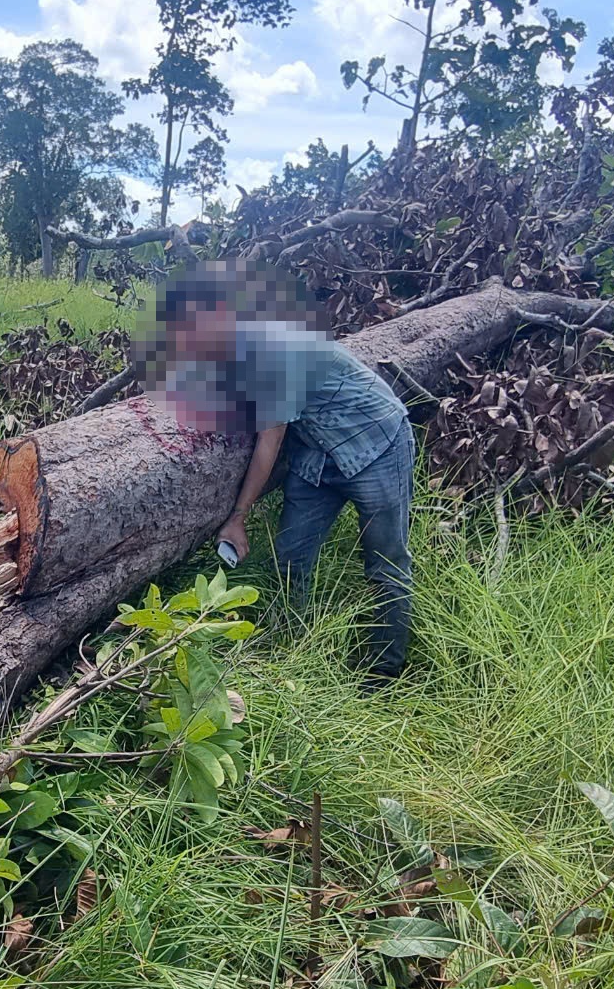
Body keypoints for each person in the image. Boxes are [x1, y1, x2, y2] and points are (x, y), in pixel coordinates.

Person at [147, 259, 416, 682]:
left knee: (385, 563)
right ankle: (290, 648)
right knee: (291, 554)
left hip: (375, 442)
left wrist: (238, 517)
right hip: (317, 452)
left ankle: (384, 674)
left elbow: (268, 443)